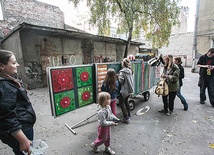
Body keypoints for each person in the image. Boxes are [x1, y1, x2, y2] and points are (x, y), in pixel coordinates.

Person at [0, 50, 36, 155]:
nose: (18, 65)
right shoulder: (5, 86)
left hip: (21, 126)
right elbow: (7, 116)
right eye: (14, 63)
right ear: (2, 66)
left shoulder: (9, 78)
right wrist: (22, 139)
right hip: (20, 131)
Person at [117, 58, 134, 123]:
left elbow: (121, 81)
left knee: (121, 103)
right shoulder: (130, 70)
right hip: (129, 89)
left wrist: (118, 76)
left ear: (123, 64)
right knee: (126, 101)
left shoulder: (122, 72)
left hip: (124, 90)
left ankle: (126, 117)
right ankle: (129, 114)